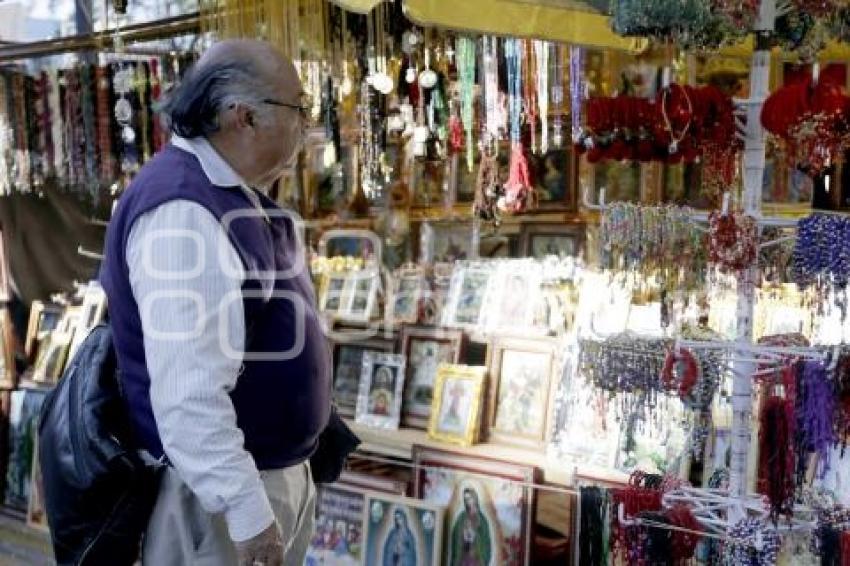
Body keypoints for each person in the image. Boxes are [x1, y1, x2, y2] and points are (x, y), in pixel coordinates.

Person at [100, 39, 331, 566]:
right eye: (300, 109)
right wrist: (247, 512)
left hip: (263, 477)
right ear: (243, 117)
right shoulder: (182, 209)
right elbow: (189, 393)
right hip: (217, 504)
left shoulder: (227, 192)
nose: (306, 125)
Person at [449, 488, 492, 566]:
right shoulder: (461, 517)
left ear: (475, 498)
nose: (468, 501)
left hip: (476, 556)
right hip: (464, 555)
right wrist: (463, 535)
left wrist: (476, 535)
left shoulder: (482, 519)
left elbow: (486, 540)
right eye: (466, 499)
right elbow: (455, 535)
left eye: (470, 498)